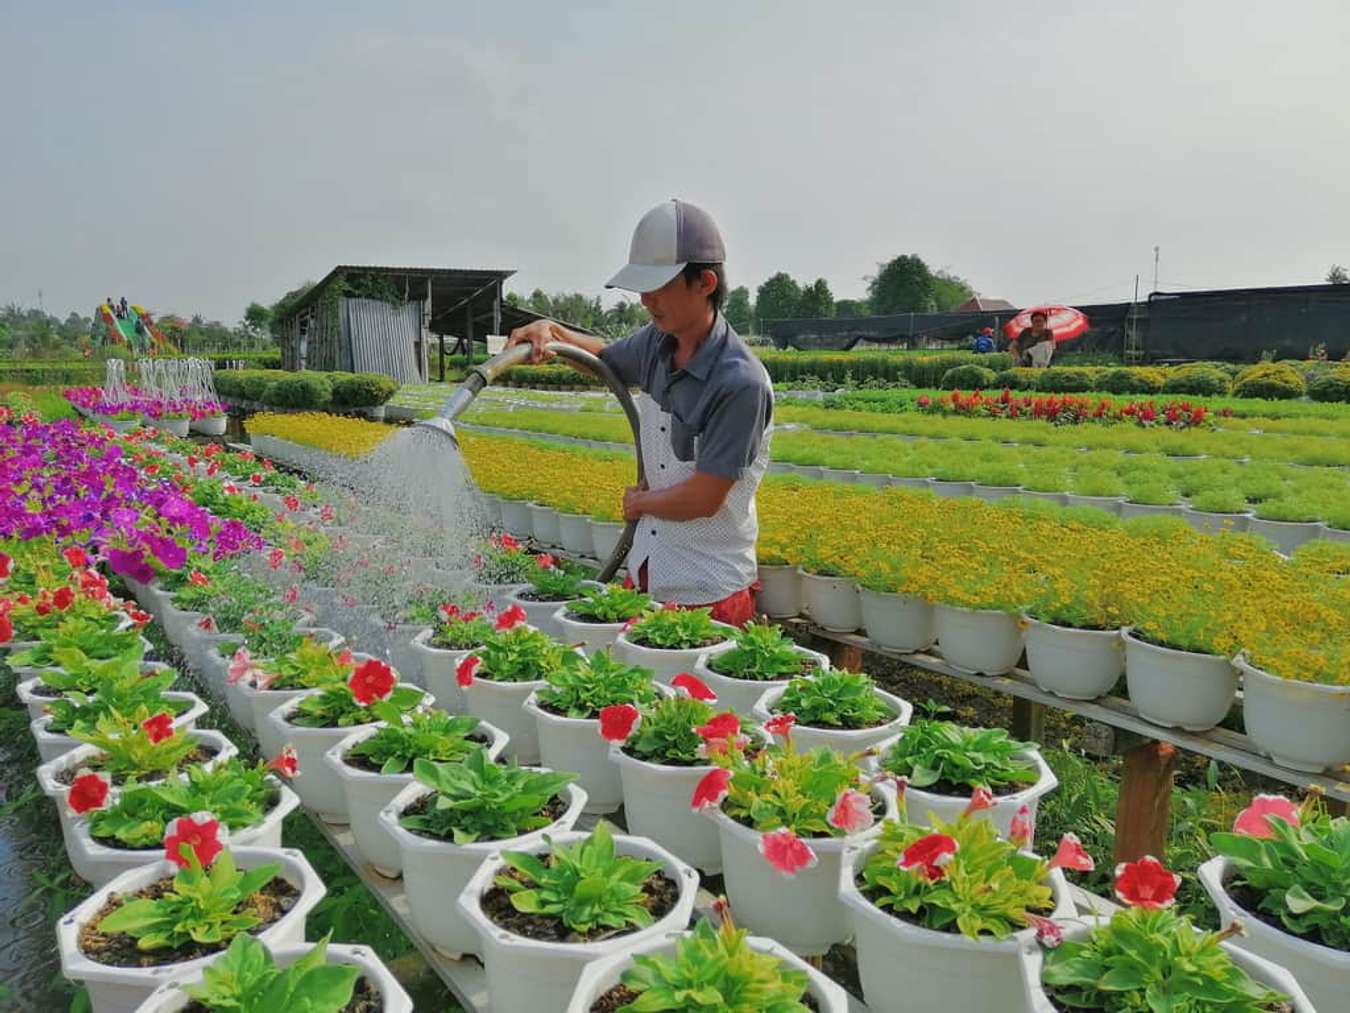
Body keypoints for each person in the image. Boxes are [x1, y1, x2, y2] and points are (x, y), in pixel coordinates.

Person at [507, 199, 772, 626]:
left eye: (660, 286)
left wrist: (641, 502)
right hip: (649, 572)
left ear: (704, 282)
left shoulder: (739, 382)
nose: (646, 300)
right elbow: (605, 359)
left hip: (706, 592)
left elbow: (704, 498)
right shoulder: (658, 342)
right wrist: (551, 333)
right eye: (642, 287)